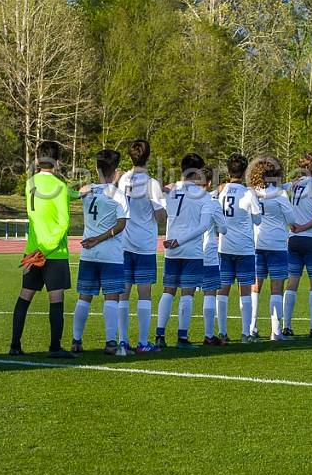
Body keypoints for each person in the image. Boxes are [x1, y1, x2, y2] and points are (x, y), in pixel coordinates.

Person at [10, 141, 72, 358]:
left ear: (37, 161)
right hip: (52, 253)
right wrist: (48, 248)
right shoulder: (60, 187)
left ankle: (14, 346)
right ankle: (55, 347)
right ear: (58, 162)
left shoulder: (30, 183)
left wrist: (76, 193)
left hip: (32, 251)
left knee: (25, 297)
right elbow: (63, 223)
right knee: (56, 299)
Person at [70, 149, 129, 356]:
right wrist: (101, 238)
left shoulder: (86, 190)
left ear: (96, 168)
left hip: (88, 252)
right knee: (111, 298)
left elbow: (75, 194)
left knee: (84, 297)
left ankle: (76, 340)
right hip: (109, 253)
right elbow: (121, 224)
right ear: (115, 171)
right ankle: (111, 342)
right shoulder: (118, 195)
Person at [156, 154, 216, 349]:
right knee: (187, 294)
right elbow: (204, 226)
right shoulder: (204, 196)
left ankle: (160, 335)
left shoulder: (170, 191)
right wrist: (180, 241)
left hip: (171, 249)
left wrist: (173, 240)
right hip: (191, 249)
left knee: (168, 291)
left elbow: (161, 213)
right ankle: (182, 338)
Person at [116, 140, 166, 353]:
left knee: (123, 294)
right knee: (144, 293)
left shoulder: (123, 179)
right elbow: (161, 215)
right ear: (149, 156)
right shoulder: (151, 183)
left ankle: (122, 340)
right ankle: (143, 342)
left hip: (124, 243)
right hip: (144, 244)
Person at [217, 153, 263, 343]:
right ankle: (245, 333)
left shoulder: (222, 191)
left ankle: (222, 332)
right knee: (245, 291)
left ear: (228, 171)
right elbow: (258, 219)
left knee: (223, 291)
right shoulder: (249, 193)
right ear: (245, 172)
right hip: (244, 248)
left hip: (224, 246)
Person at [285, 152, 312, 338]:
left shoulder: (293, 185)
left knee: (292, 283)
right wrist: (303, 227)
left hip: (293, 238)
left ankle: (286, 325)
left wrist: (293, 226)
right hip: (311, 239)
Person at [251, 158, 295, 341]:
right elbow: (291, 219)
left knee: (255, 287)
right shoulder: (280, 194)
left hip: (256, 242)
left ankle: (251, 328)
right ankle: (275, 331)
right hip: (276, 244)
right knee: (276, 288)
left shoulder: (253, 192)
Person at [196, 166, 228, 346]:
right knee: (210, 293)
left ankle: (177, 335)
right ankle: (209, 335)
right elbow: (223, 229)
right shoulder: (212, 202)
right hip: (207, 252)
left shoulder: (187, 198)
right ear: (208, 183)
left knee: (184, 293)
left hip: (186, 251)